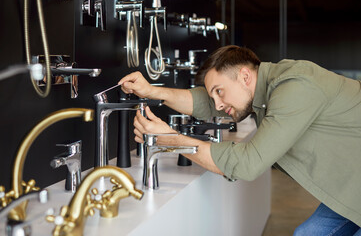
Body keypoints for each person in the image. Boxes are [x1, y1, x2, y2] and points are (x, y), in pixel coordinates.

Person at [118, 45, 361, 235]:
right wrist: (151, 92)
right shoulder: (268, 87)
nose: (218, 105)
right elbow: (204, 102)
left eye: (219, 92)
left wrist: (169, 140)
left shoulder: (296, 86)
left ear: (245, 76)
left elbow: (248, 163)